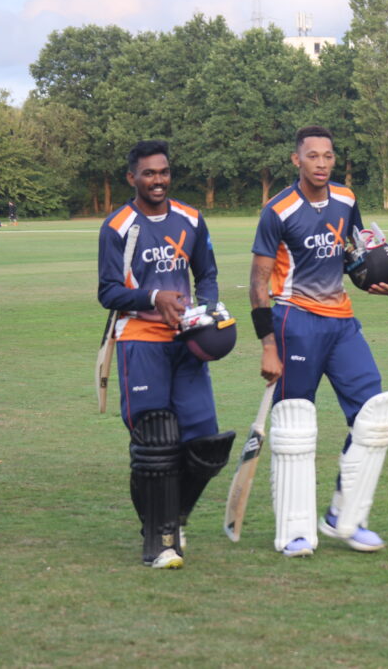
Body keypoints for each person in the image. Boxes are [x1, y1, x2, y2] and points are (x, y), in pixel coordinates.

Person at [249, 125, 388, 558]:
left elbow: (351, 255)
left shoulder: (347, 199)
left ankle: (345, 517)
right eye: (312, 156)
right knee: (296, 425)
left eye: (328, 156)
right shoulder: (277, 211)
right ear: (296, 160)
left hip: (341, 323)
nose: (321, 163)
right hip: (294, 322)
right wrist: (267, 344)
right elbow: (258, 284)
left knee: (373, 417)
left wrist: (374, 282)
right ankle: (295, 531)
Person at [97, 139, 235, 570]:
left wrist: (207, 311)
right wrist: (155, 296)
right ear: (132, 178)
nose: (158, 180)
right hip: (140, 339)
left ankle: (173, 516)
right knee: (156, 442)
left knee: (206, 445)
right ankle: (158, 542)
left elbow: (206, 274)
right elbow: (108, 291)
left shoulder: (191, 218)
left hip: (185, 342)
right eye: (149, 174)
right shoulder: (118, 226)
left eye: (164, 172)